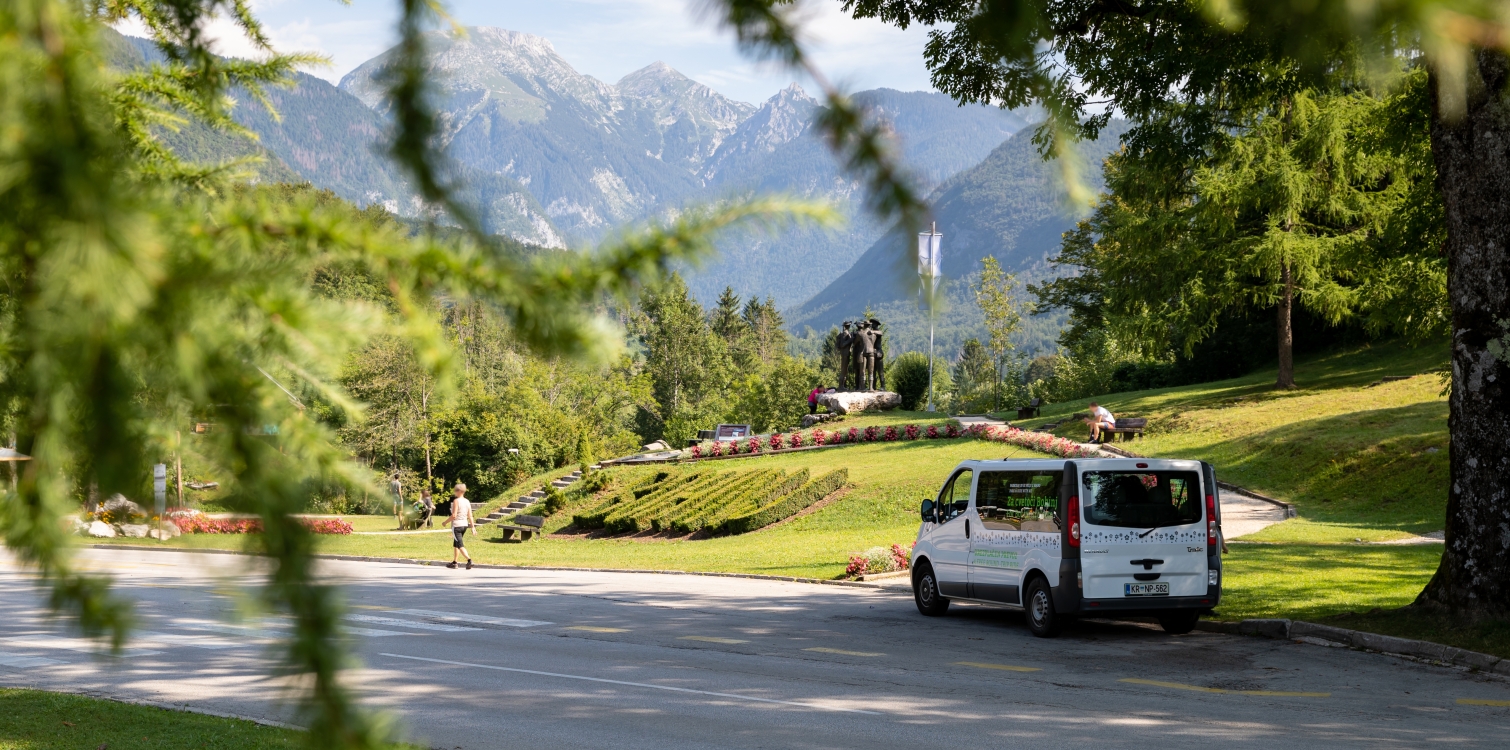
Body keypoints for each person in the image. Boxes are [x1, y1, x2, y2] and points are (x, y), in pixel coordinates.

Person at [445, 482, 475, 569]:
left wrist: (445, 522)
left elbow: (454, 515)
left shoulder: (456, 501)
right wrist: (472, 527)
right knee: (456, 544)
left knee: (460, 545)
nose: (454, 492)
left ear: (459, 491)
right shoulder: (467, 501)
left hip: (457, 526)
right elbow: (470, 515)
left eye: (455, 491)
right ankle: (455, 562)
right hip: (464, 525)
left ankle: (469, 560)